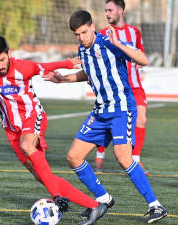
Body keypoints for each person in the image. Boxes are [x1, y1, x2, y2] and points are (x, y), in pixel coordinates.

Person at [0, 35, 107, 225]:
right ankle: (94, 206)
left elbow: (45, 66)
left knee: (27, 144)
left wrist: (67, 63)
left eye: (2, 60)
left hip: (33, 116)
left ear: (9, 54)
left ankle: (57, 196)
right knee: (41, 176)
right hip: (11, 128)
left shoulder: (23, 67)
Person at [43, 10, 167, 223]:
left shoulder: (109, 42)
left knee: (123, 157)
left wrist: (118, 44)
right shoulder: (82, 49)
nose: (81, 37)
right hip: (100, 111)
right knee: (73, 157)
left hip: (121, 109)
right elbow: (88, 72)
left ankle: (156, 205)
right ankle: (104, 199)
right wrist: (63, 79)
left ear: (92, 26)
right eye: (77, 34)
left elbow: (144, 60)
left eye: (84, 32)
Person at [95, 0, 150, 175]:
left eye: (110, 10)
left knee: (141, 120)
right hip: (114, 88)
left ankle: (136, 159)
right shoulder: (103, 34)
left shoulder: (135, 32)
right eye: (105, 10)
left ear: (120, 11)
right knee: (109, 121)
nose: (107, 13)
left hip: (135, 85)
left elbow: (140, 52)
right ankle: (101, 150)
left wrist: (140, 61)